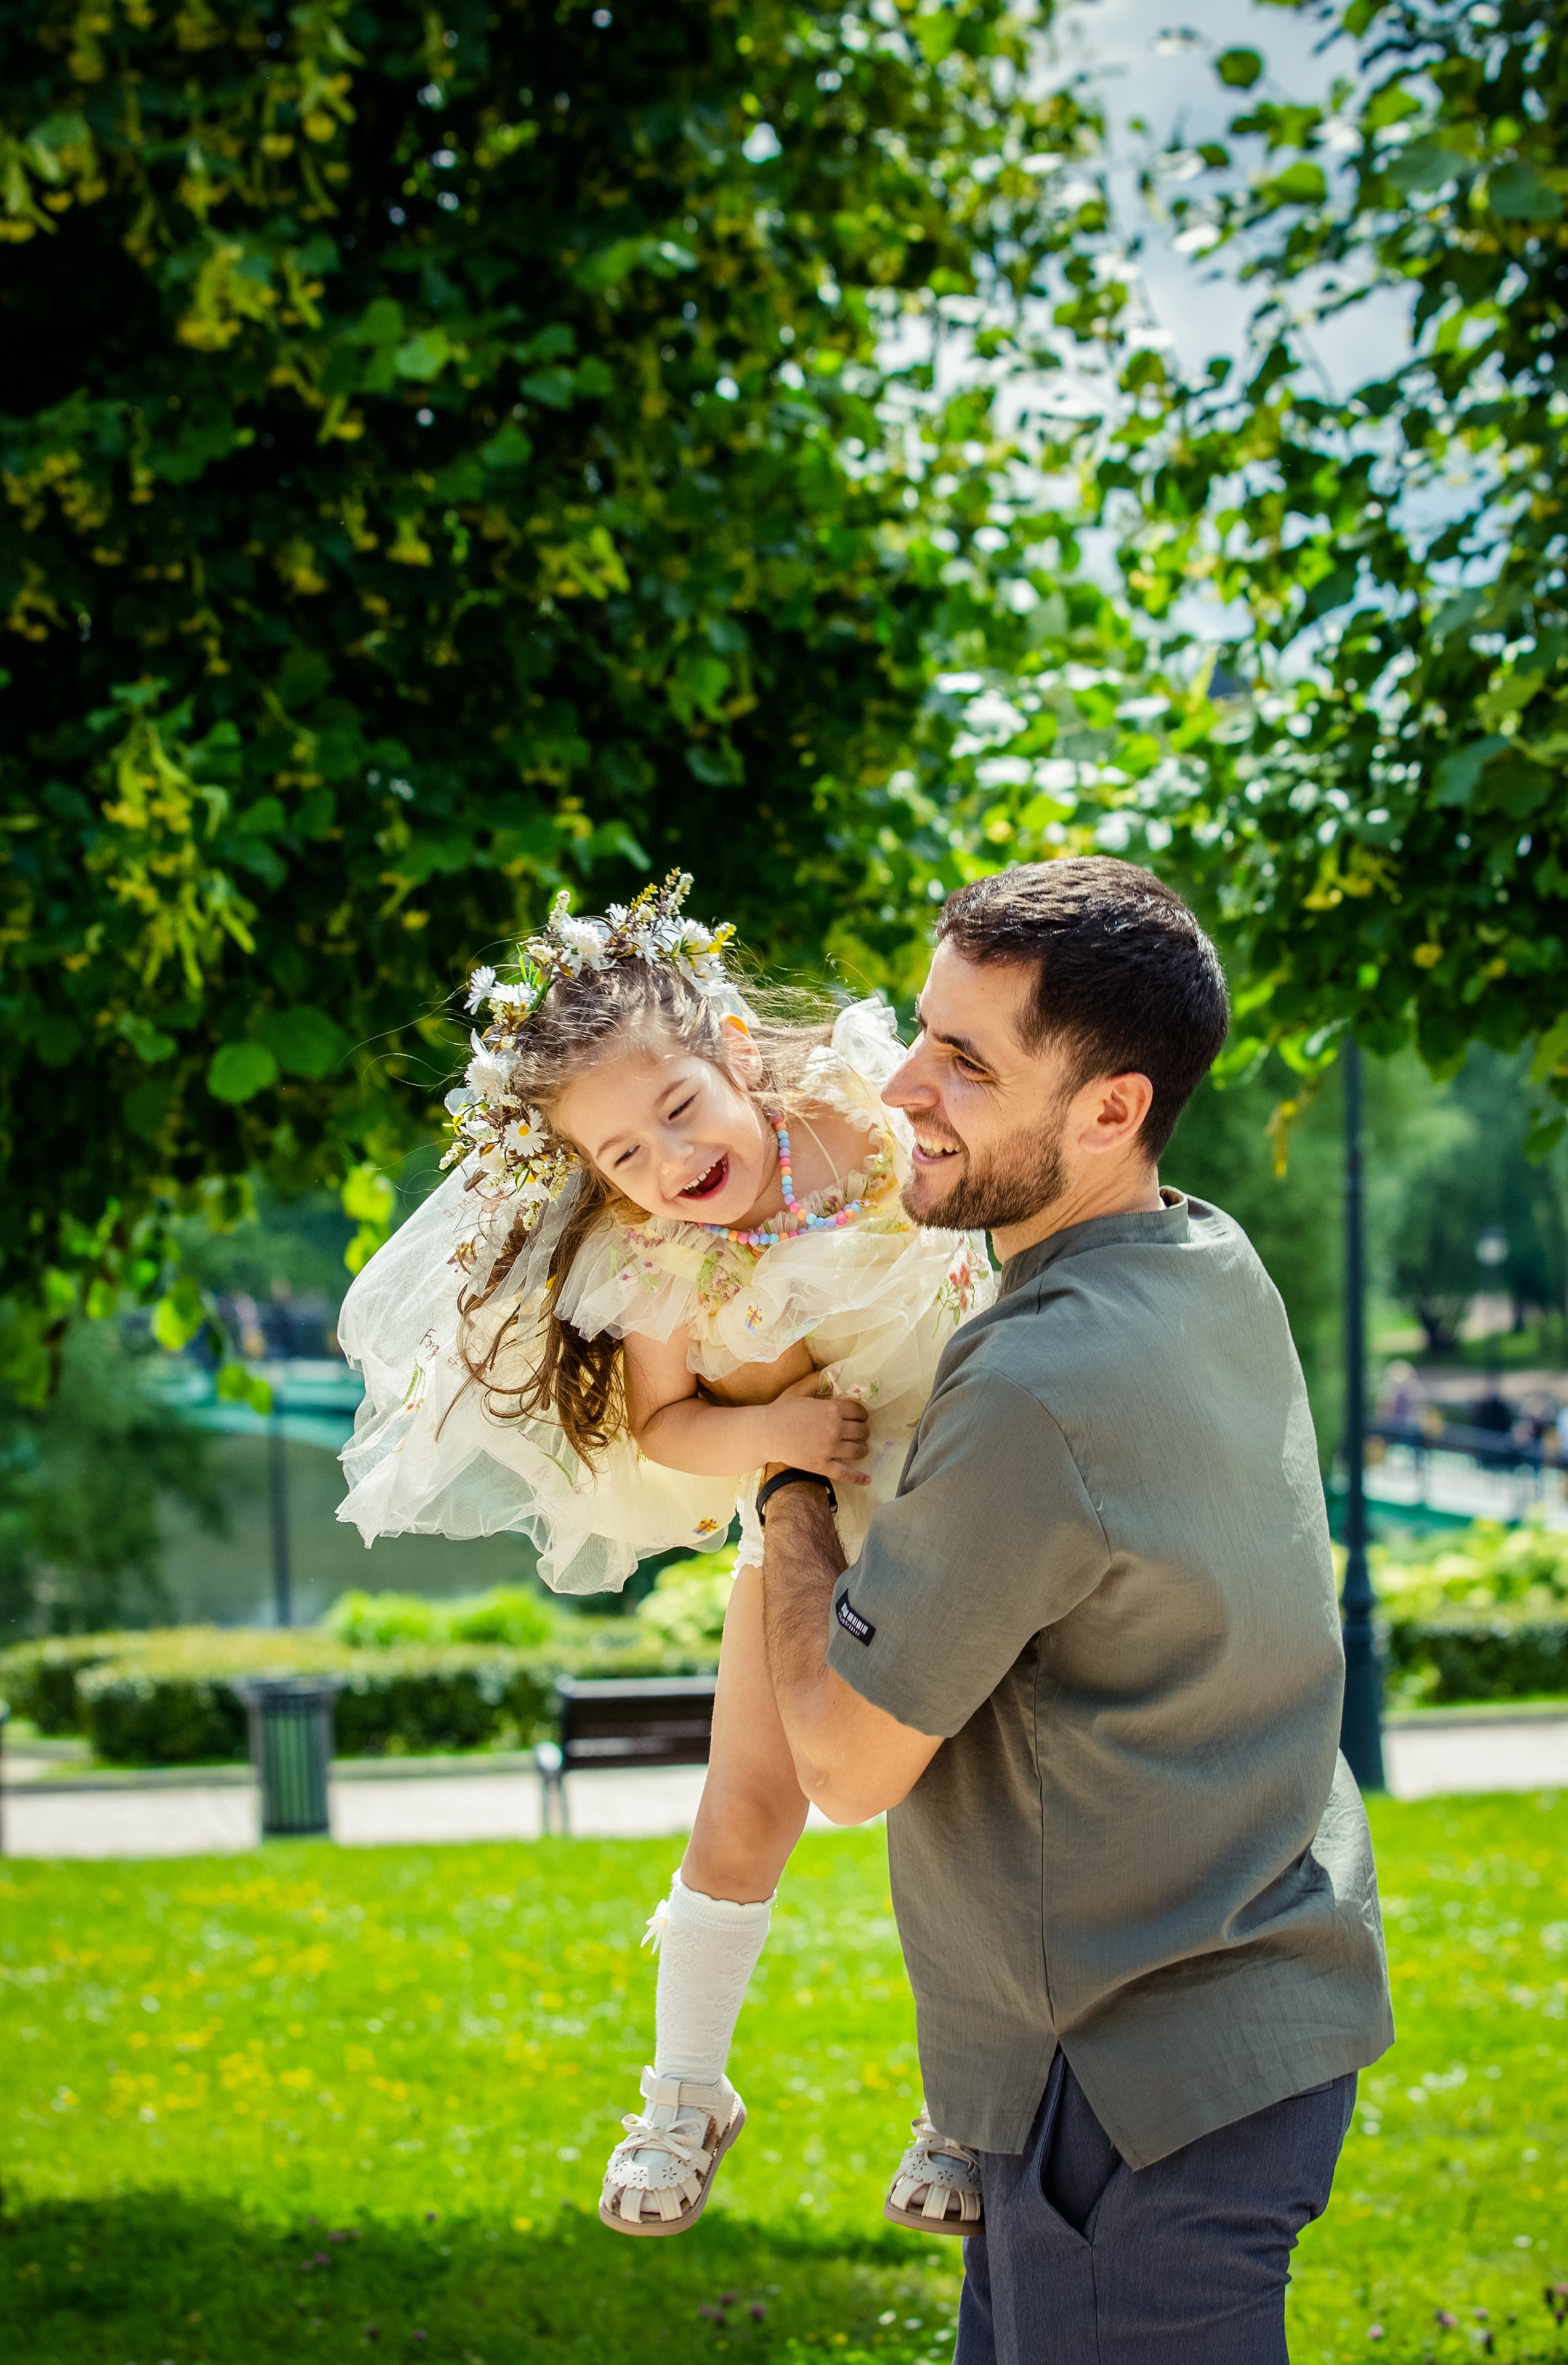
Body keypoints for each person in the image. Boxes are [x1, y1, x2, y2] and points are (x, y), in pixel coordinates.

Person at [758, 857, 1394, 2364]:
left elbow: (846, 1766)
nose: (903, 1083)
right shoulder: (1203, 1257)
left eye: (966, 1061)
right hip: (1245, 2023)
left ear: (1111, 1108)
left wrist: (783, 1496)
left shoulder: (1039, 1385)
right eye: (924, 1031)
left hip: (1126, 2088)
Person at [336, 873, 993, 2238]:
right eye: (622, 1156)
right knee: (743, 1808)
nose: (666, 1162)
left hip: (966, 1507)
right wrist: (780, 1427)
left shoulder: (860, 1114)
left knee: (962, 1815)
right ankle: (683, 2093)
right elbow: (667, 1424)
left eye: (679, 1109)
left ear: (738, 1055)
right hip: (815, 1515)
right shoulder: (652, 1261)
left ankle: (968, 2109)